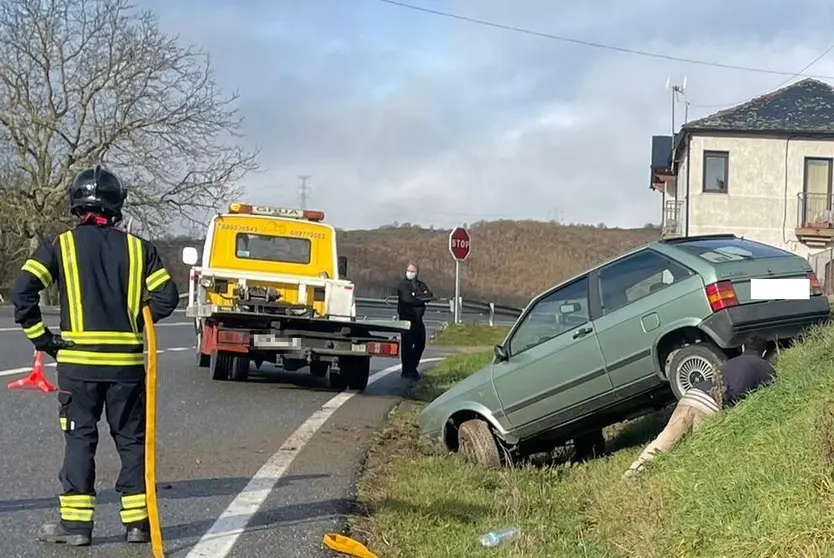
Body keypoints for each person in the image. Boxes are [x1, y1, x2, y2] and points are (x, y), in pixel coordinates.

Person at [12, 165, 179, 546]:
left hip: (78, 367)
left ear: (77, 205)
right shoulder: (140, 249)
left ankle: (76, 527)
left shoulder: (59, 246)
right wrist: (136, 316)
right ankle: (138, 524)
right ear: (117, 206)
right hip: (125, 369)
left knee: (79, 439)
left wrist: (44, 340)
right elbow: (167, 297)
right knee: (131, 441)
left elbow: (23, 293)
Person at [623, 335, 774, 478]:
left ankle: (632, 473)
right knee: (701, 450)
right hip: (711, 405)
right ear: (764, 352)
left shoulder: (731, 362)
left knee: (665, 438)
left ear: (742, 347)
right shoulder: (764, 367)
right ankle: (682, 478)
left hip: (691, 395)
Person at [394, 262, 433, 379]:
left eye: (413, 271)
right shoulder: (402, 285)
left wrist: (417, 296)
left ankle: (412, 367)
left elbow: (429, 295)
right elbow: (408, 299)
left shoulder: (420, 284)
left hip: (418, 319)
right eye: (409, 270)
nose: (410, 273)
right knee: (407, 344)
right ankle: (406, 370)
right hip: (406, 319)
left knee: (420, 343)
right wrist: (420, 298)